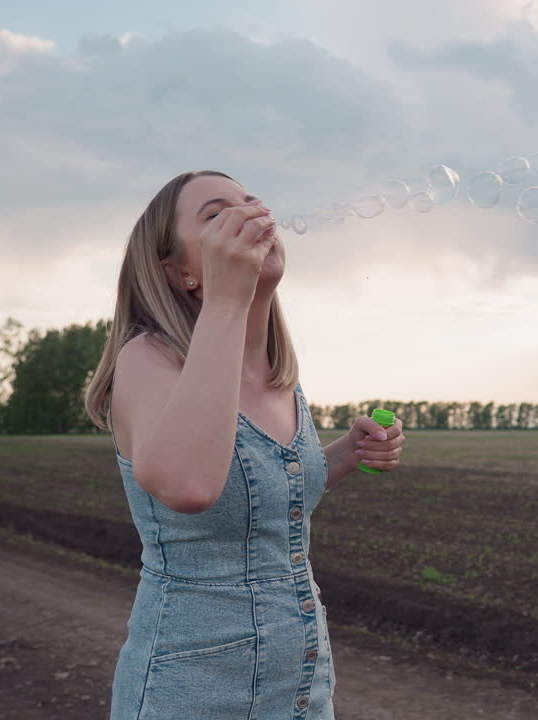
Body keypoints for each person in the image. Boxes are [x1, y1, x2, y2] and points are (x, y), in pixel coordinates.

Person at [83, 170, 405, 719]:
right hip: (195, 692)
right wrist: (227, 303)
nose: (252, 213)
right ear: (181, 271)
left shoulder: (279, 376)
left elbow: (261, 502)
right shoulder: (148, 359)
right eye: (216, 214)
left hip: (303, 688)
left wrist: (343, 455)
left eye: (252, 201)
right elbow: (190, 486)